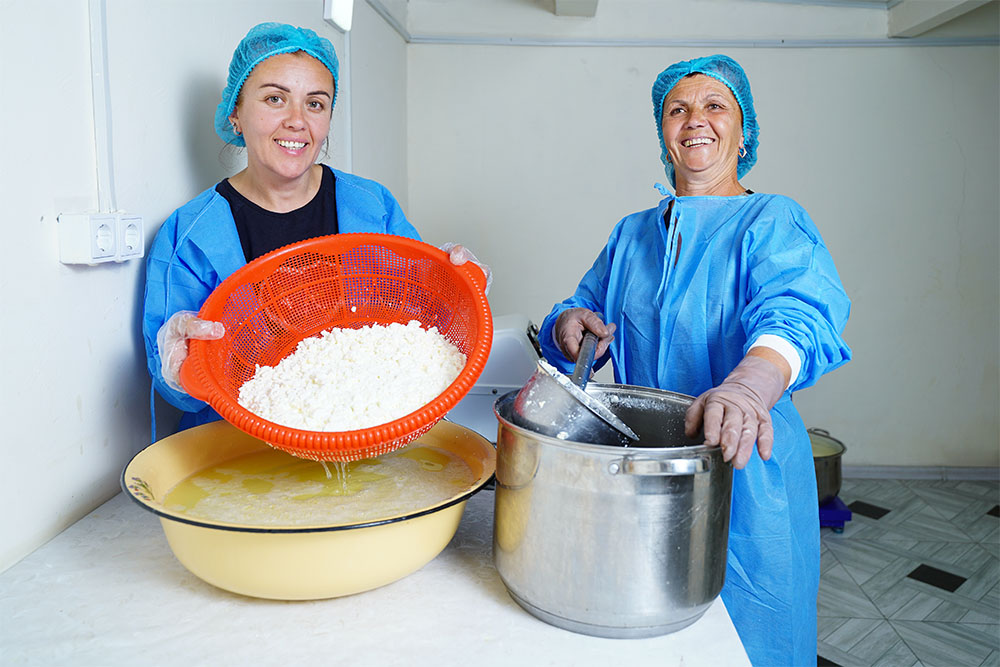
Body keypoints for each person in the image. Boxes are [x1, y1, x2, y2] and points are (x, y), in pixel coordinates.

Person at [537, 55, 851, 665]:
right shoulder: (632, 233)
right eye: (677, 109)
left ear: (744, 129)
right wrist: (568, 326)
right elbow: (582, 311)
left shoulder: (772, 219)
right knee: (655, 631)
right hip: (645, 472)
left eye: (715, 106)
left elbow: (799, 312)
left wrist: (749, 388)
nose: (695, 120)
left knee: (755, 634)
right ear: (662, 132)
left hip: (745, 465)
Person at [142, 22, 488, 435]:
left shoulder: (370, 206)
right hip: (243, 455)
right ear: (235, 112)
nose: (296, 121)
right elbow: (177, 387)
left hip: (370, 436)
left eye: (315, 104)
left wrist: (455, 281)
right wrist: (178, 360)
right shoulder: (191, 235)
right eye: (275, 99)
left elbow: (423, 320)